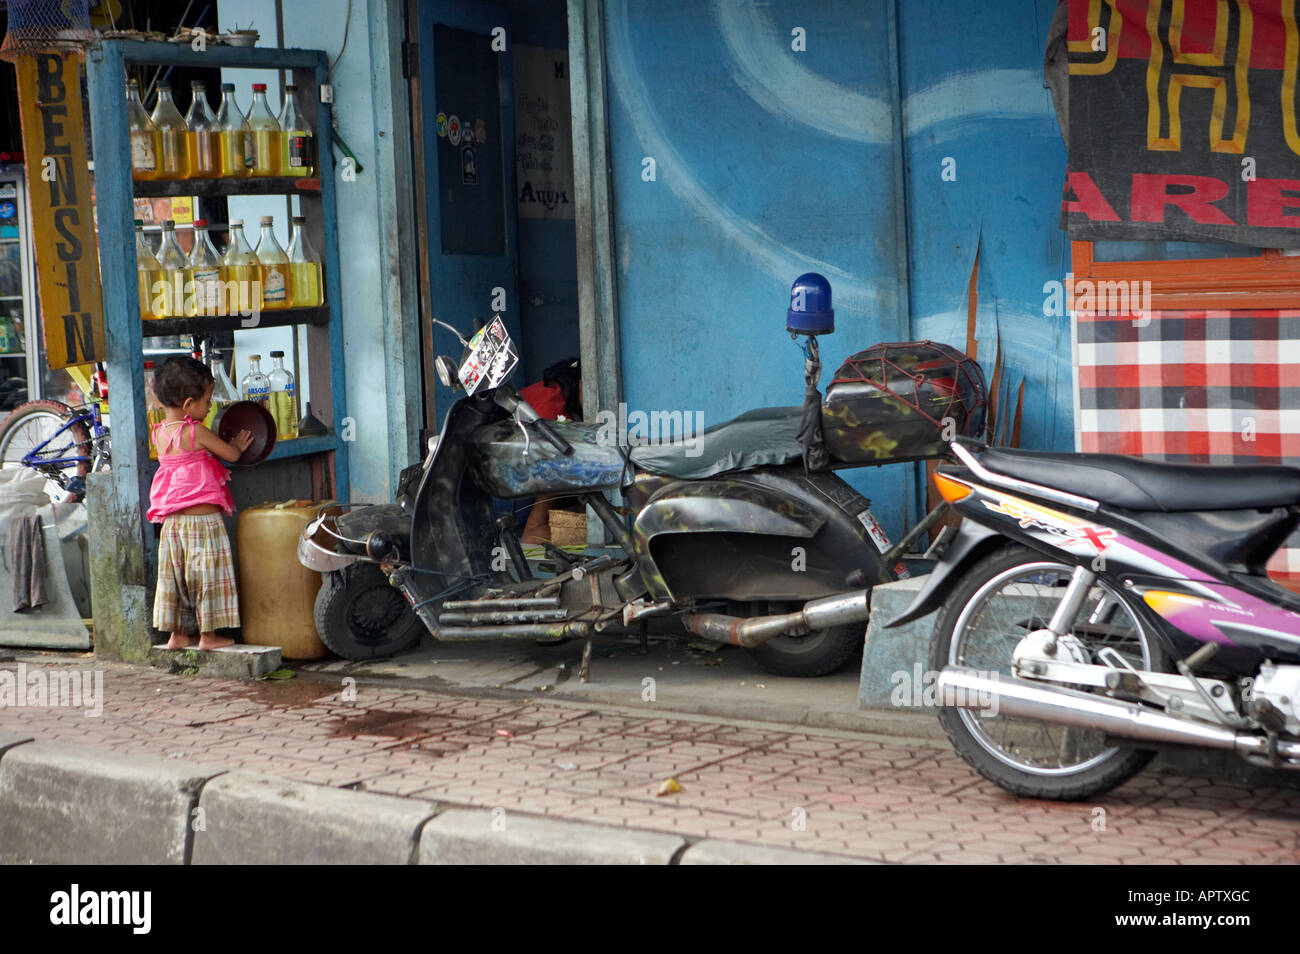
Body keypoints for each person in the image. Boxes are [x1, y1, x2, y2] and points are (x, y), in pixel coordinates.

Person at [147, 357, 253, 651]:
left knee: (177, 580)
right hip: (204, 525)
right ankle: (209, 636)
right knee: (208, 579)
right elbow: (230, 455)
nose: (209, 408)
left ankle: (177, 635)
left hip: (173, 526)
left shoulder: (160, 434)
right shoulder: (196, 432)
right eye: (207, 401)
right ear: (188, 404)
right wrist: (239, 445)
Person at [519, 357, 581, 544]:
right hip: (513, 463)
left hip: (524, 460)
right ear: (580, 382)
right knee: (561, 458)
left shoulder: (562, 394)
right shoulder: (551, 402)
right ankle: (535, 527)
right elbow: (548, 457)